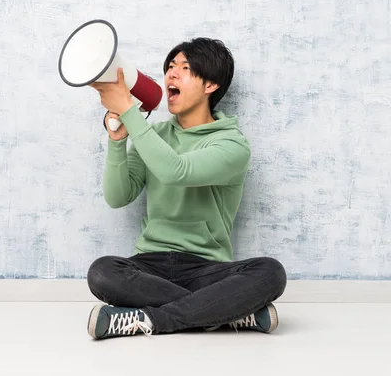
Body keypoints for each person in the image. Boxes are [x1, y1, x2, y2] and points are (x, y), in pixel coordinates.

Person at [85, 37, 287, 339]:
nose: (171, 74)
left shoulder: (232, 145)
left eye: (185, 68)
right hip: (149, 266)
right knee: (102, 272)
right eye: (169, 67)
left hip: (206, 270)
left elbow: (175, 171)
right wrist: (117, 141)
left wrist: (128, 109)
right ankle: (227, 314)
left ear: (211, 85)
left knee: (271, 272)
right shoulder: (152, 136)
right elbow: (118, 196)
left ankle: (151, 320)